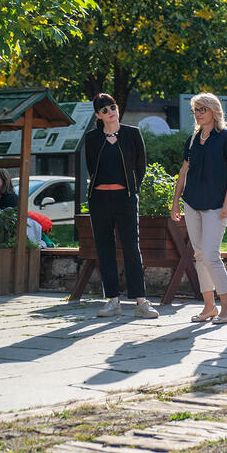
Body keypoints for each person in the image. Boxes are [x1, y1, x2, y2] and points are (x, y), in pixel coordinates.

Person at [84, 94, 158, 319]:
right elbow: (91, 168)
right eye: (104, 110)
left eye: (112, 107)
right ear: (98, 115)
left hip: (125, 198)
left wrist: (132, 191)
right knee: (104, 248)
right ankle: (113, 300)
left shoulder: (132, 134)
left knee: (131, 247)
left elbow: (140, 166)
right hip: (99, 199)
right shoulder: (92, 138)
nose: (110, 112)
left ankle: (141, 302)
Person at [171, 93, 227, 325]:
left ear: (214, 111)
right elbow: (184, 172)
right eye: (196, 110)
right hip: (192, 203)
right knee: (200, 255)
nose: (199, 114)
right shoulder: (192, 139)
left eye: (203, 109)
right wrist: (175, 201)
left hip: (216, 204)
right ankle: (209, 307)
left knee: (211, 255)